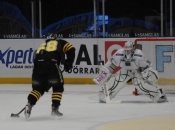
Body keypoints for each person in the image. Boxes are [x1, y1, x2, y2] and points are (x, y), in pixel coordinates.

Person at [93, 41, 168, 103]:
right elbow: (111, 66)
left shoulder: (139, 54)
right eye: (125, 50)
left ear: (133, 49)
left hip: (136, 71)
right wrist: (103, 74)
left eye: (128, 50)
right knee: (117, 81)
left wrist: (149, 74)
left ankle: (159, 95)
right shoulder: (119, 53)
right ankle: (105, 95)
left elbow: (146, 67)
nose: (126, 52)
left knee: (140, 84)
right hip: (124, 71)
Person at [24, 33, 75, 119]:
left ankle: (29, 103)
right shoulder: (60, 42)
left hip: (37, 66)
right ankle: (55, 108)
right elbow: (71, 49)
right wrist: (68, 63)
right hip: (51, 63)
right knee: (58, 87)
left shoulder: (43, 45)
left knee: (38, 89)